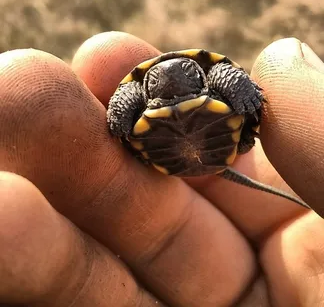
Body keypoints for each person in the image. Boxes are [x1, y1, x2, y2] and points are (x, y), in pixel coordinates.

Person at [0, 33, 323, 307]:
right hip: (200, 150)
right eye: (158, 78)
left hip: (174, 155)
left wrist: (243, 95)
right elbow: (120, 110)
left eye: (185, 71)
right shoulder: (134, 92)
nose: (172, 77)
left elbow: (231, 77)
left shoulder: (217, 75)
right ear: (149, 85)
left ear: (199, 73)